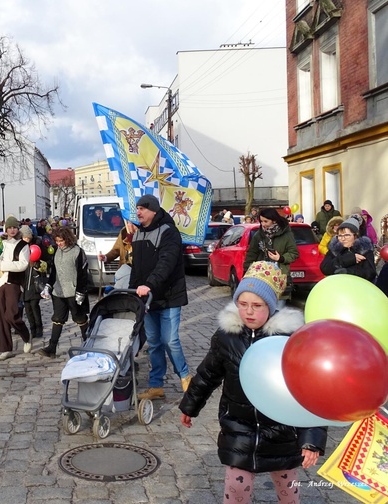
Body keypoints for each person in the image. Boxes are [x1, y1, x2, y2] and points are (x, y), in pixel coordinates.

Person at [179, 261, 327, 504]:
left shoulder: (291, 340)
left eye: (257, 306)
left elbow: (311, 393)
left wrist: (311, 439)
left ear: (270, 306)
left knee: (288, 493)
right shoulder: (227, 337)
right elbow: (207, 374)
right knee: (236, 492)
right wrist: (189, 406)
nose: (248, 311)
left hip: (282, 433)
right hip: (239, 428)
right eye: (243, 304)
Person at [126, 195, 190, 399]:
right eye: (137, 209)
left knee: (170, 340)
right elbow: (136, 268)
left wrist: (149, 284)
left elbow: (167, 263)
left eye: (142, 209)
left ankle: (186, 377)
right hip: (148, 298)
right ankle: (156, 385)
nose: (138, 212)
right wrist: (132, 292)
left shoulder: (169, 232)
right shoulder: (137, 235)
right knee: (154, 342)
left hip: (169, 296)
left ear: (154, 210)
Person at [37, 226, 89, 358]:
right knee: (58, 319)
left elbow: (83, 274)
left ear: (67, 239)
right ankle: (52, 348)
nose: (59, 244)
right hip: (59, 292)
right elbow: (54, 272)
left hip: (74, 292)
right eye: (57, 241)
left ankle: (89, 344)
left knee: (80, 319)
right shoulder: (57, 252)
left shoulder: (78, 252)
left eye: (61, 241)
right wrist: (48, 286)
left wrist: (81, 292)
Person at [0, 216, 33, 361]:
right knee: (2, 318)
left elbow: (22, 264)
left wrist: (3, 265)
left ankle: (25, 335)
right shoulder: (0, 243)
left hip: (14, 283)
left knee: (11, 314)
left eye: (14, 227)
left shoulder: (23, 245)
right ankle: (6, 348)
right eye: (9, 227)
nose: (12, 230)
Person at [244, 207, 299, 302]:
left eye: (266, 221)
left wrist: (281, 258)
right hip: (261, 277)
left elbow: (294, 253)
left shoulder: (286, 235)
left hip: (279, 276)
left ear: (274, 220)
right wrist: (246, 272)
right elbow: (251, 254)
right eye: (261, 221)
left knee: (279, 310)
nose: (263, 224)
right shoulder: (258, 235)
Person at [320, 217, 376, 281]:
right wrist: (348, 259)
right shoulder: (335, 250)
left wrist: (347, 272)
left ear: (355, 235)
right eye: (340, 236)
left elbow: (370, 273)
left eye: (347, 235)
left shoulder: (364, 250)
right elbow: (324, 268)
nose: (343, 239)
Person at [19, 225, 45, 339]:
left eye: (28, 238)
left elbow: (45, 262)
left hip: (34, 283)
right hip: (24, 283)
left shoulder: (36, 245)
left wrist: (39, 265)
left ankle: (39, 328)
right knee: (28, 307)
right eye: (25, 238)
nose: (27, 240)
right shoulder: (19, 248)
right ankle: (32, 328)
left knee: (34, 306)